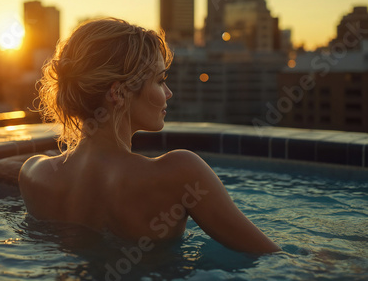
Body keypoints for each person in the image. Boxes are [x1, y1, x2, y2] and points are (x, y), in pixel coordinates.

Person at [19, 18, 280, 254]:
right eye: (159, 80)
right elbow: (273, 259)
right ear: (118, 93)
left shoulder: (33, 174)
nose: (168, 93)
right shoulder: (182, 173)